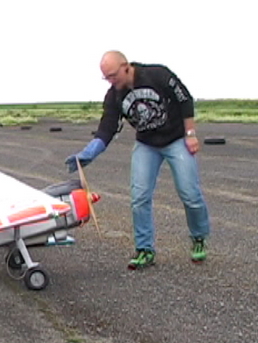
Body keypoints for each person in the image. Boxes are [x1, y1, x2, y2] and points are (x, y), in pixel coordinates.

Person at [65, 51, 210, 270]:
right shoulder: (114, 96)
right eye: (106, 78)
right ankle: (144, 249)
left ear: (126, 66)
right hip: (146, 144)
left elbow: (185, 100)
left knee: (189, 193)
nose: (111, 81)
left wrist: (190, 134)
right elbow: (107, 127)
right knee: (139, 197)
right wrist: (89, 152)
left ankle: (198, 237)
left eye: (113, 75)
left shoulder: (158, 75)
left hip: (176, 139)